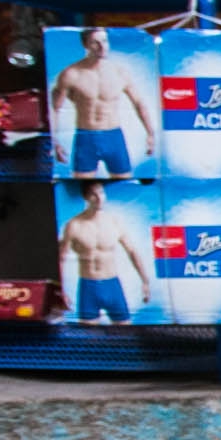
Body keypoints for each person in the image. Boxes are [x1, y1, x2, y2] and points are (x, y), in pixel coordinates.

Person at [50, 27, 158, 178]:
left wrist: (150, 133)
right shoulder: (71, 74)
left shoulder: (120, 72)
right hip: (86, 137)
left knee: (123, 184)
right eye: (95, 42)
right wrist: (54, 141)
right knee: (81, 186)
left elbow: (139, 103)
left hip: (114, 136)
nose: (102, 47)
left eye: (104, 41)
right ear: (85, 45)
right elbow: (54, 109)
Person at [58, 182, 154, 325]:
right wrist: (60, 290)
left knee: (125, 332)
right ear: (86, 197)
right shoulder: (74, 225)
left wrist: (145, 281)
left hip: (112, 285)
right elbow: (61, 258)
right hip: (88, 287)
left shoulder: (114, 221)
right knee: (88, 336)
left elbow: (132, 251)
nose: (99, 198)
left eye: (101, 193)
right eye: (93, 194)